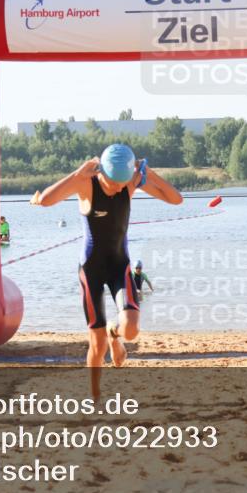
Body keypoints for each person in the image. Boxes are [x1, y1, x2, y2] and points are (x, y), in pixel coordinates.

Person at [30, 144, 182, 398]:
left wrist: (149, 174)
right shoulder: (86, 184)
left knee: (131, 331)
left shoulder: (129, 183)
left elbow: (176, 199)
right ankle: (95, 396)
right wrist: (77, 173)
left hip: (119, 266)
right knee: (96, 343)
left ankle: (116, 333)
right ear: (104, 173)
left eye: (124, 184)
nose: (120, 188)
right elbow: (45, 200)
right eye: (115, 183)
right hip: (91, 270)